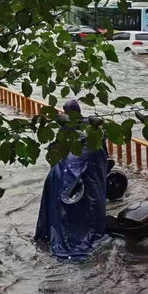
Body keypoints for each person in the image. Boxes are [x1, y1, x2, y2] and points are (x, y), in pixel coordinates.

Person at [35, 99, 108, 259]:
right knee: (91, 204)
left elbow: (57, 151)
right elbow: (101, 151)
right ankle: (93, 230)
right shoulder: (92, 126)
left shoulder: (65, 129)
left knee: (64, 208)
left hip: (65, 175)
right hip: (89, 176)